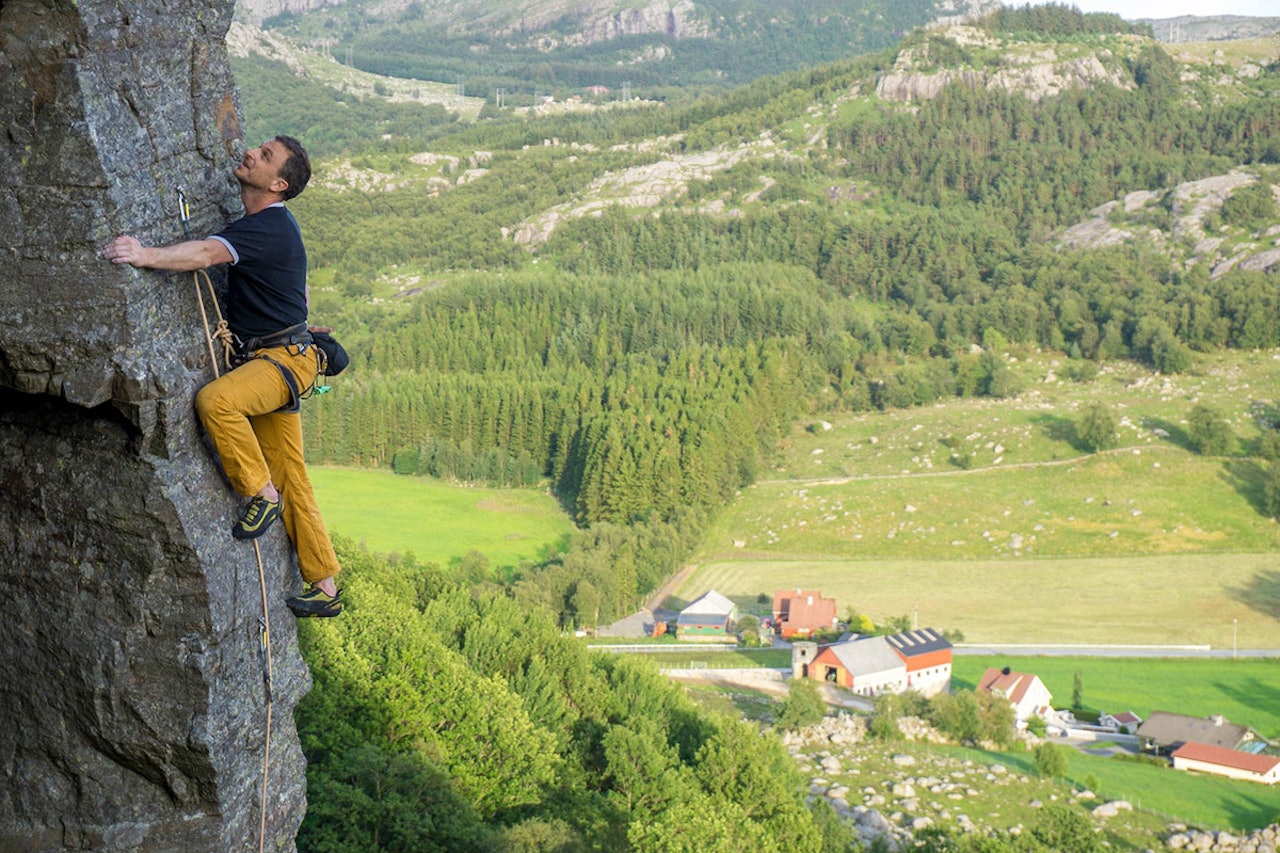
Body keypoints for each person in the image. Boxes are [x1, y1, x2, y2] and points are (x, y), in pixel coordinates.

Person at [103, 135, 342, 618]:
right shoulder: (271, 226)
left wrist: (144, 253)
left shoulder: (267, 227)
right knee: (293, 472)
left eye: (266, 155)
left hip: (280, 362)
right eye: (261, 147)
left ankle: (259, 492)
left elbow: (205, 255)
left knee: (217, 401)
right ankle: (326, 586)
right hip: (287, 358)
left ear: (277, 183)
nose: (252, 151)